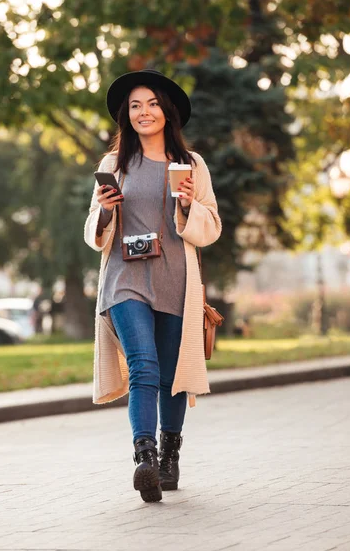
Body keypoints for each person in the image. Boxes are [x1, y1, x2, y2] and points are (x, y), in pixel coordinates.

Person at [84, 69, 221, 503]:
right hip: (125, 278)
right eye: (135, 106)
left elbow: (212, 227)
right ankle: (144, 457)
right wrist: (105, 212)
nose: (144, 112)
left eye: (152, 104)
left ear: (168, 111)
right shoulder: (113, 165)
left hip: (176, 279)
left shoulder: (192, 165)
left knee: (171, 374)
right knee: (143, 364)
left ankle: (169, 453)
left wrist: (188, 207)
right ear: (127, 115)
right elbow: (94, 232)